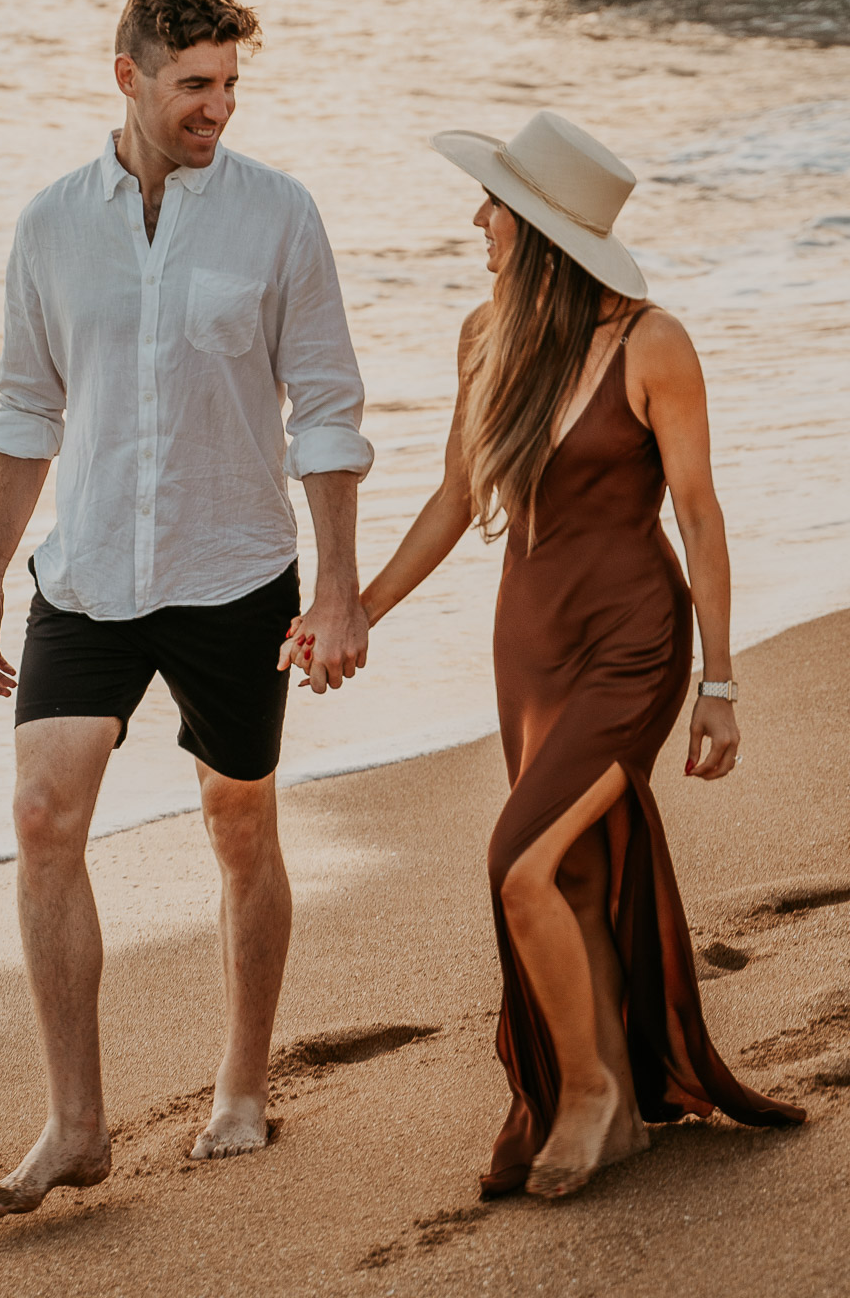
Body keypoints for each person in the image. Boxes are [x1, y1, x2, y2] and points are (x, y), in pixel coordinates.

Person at [298, 109, 805, 1200]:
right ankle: (613, 1094)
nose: (478, 219)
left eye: (496, 205)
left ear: (538, 228)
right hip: (527, 639)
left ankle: (589, 1098)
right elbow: (454, 497)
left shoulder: (652, 341)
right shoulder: (488, 335)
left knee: (516, 861)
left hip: (633, 642)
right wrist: (362, 608)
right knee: (566, 868)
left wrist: (720, 684)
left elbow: (701, 519)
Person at [0, 0, 372, 1219]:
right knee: (43, 818)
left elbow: (330, 409)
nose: (219, 108)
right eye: (195, 84)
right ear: (127, 76)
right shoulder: (49, 226)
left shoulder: (280, 216)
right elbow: (27, 411)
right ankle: (77, 1124)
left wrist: (341, 589)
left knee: (239, 825)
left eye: (232, 83)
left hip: (233, 573)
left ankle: (241, 1087)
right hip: (83, 573)